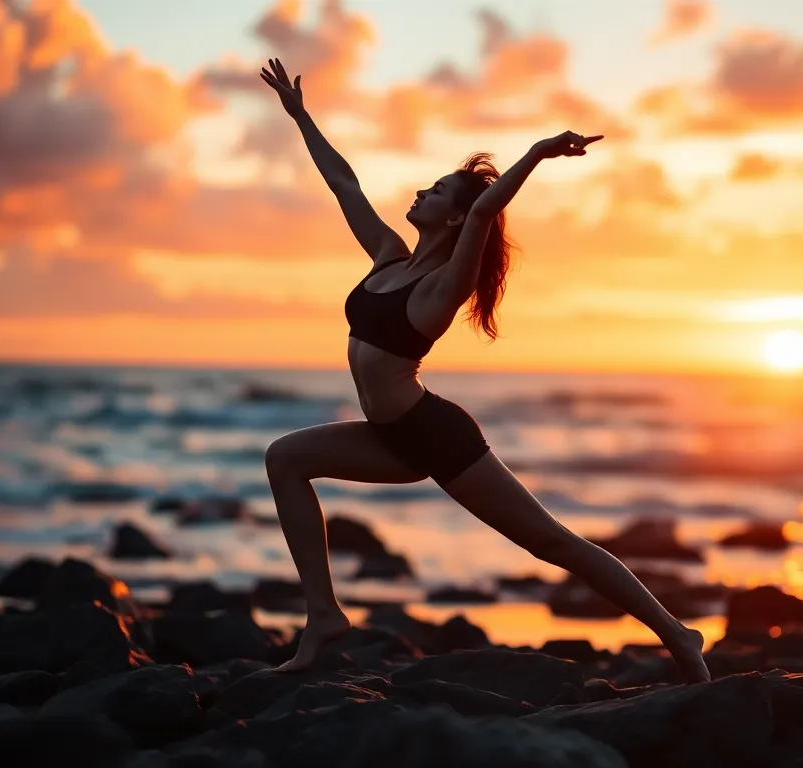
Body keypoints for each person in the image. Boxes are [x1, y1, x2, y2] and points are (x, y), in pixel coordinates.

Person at [258, 58, 710, 682]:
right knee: (285, 458)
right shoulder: (389, 258)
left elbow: (480, 214)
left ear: (451, 219)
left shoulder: (445, 285)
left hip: (435, 436)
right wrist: (301, 116)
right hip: (390, 437)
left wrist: (535, 155)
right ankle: (323, 616)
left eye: (436, 190)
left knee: (552, 544)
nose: (421, 192)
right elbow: (344, 184)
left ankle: (677, 635)